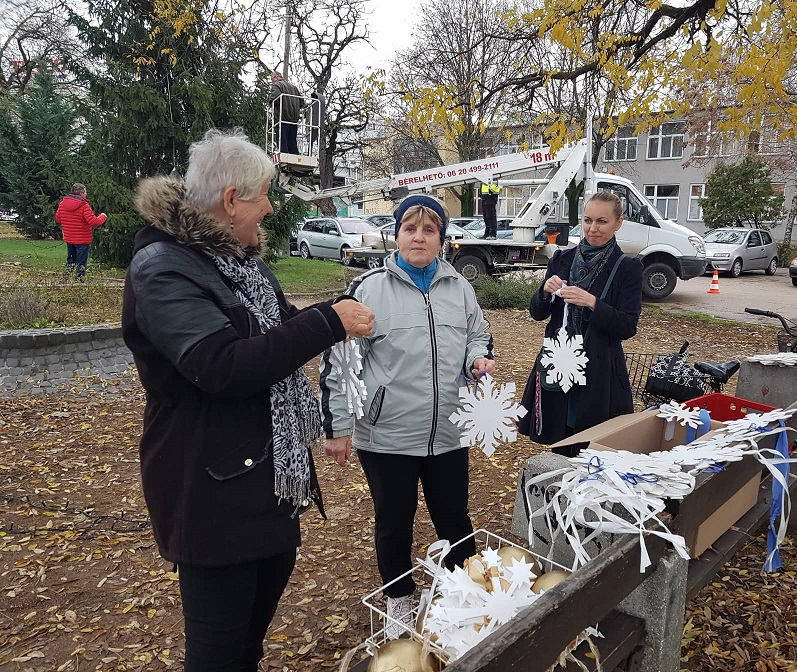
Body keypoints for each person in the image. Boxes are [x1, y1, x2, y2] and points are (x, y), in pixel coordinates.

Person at [121, 128, 375, 672]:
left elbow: (277, 328)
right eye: (264, 195)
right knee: (217, 654)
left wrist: (334, 312)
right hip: (211, 495)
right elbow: (223, 365)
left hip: (267, 482)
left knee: (248, 643)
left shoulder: (239, 260)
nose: (270, 207)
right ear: (232, 200)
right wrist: (328, 322)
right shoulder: (163, 267)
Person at [319, 194, 495, 637]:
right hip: (387, 435)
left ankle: (465, 594)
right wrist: (338, 426)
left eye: (429, 230)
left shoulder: (460, 288)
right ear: (395, 235)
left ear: (442, 239)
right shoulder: (368, 289)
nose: (419, 237)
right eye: (410, 229)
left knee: (454, 518)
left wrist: (477, 357)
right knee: (394, 521)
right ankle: (399, 599)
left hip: (448, 431)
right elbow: (342, 360)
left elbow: (478, 334)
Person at [517, 192, 642, 458]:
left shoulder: (627, 267)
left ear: (618, 223)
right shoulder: (561, 260)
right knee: (559, 441)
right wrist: (544, 291)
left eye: (602, 221)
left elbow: (627, 325)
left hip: (598, 373)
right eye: (587, 220)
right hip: (560, 362)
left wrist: (593, 303)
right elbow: (537, 313)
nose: (592, 228)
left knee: (590, 445)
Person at [55, 183, 107, 280]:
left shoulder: (62, 204)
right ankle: (79, 281)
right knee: (81, 263)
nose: (86, 194)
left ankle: (65, 279)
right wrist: (103, 216)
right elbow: (94, 222)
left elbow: (58, 219)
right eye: (85, 192)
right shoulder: (84, 206)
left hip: (69, 238)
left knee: (71, 260)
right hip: (82, 239)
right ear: (81, 193)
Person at [269, 72, 305, 155]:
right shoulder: (294, 88)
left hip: (282, 118)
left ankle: (284, 156)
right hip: (294, 120)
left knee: (282, 142)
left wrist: (270, 100)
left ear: (275, 78)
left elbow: (275, 98)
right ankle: (295, 156)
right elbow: (301, 102)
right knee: (292, 142)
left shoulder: (277, 86)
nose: (272, 81)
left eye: (272, 79)